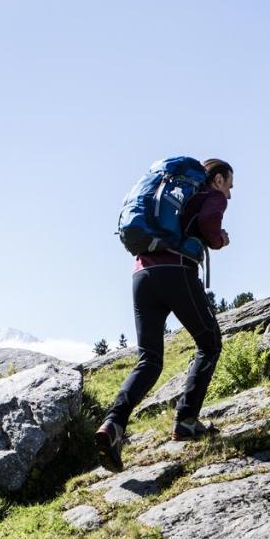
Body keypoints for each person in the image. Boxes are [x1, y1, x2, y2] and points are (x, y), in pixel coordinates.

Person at [95, 159, 234, 472]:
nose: (230, 193)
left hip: (141, 275)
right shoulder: (210, 196)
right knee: (209, 343)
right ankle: (186, 420)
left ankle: (113, 424)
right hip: (176, 271)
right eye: (229, 185)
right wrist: (219, 239)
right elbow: (211, 225)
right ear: (218, 178)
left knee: (149, 360)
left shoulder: (173, 197)